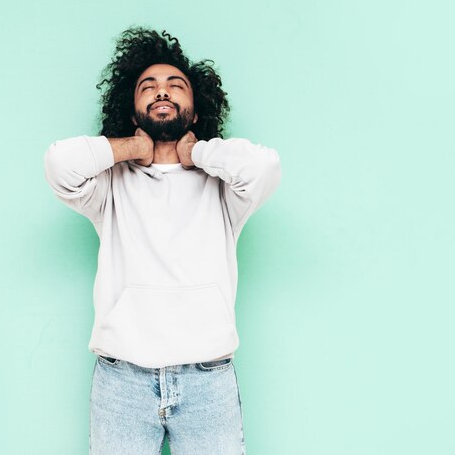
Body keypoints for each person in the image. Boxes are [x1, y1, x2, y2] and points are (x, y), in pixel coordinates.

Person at [43, 26, 281, 455]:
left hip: (207, 380)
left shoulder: (222, 189)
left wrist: (197, 153)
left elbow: (264, 168)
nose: (162, 91)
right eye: (147, 86)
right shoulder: (110, 188)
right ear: (133, 110)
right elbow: (60, 164)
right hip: (123, 382)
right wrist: (130, 148)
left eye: (176, 85)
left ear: (195, 105)